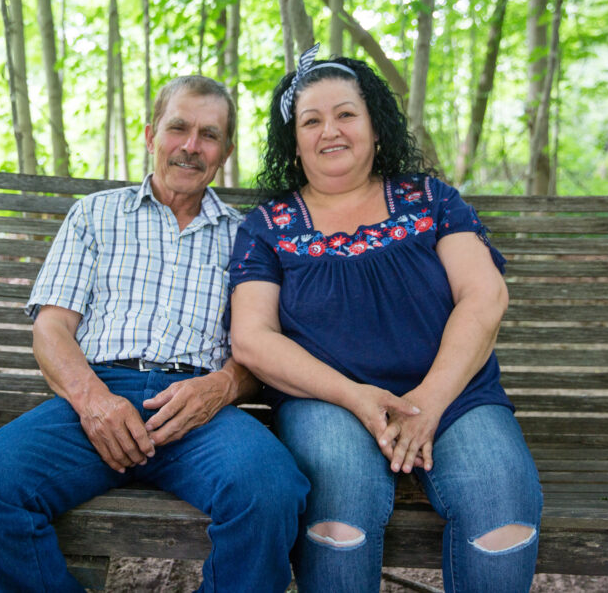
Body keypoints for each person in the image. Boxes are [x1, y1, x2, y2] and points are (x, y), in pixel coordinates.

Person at [0, 75, 309, 593]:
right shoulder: (95, 214)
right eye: (178, 128)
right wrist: (92, 401)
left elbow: (262, 348)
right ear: (150, 135)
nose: (191, 146)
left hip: (197, 408)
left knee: (272, 489)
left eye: (209, 135)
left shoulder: (247, 236)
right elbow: (52, 328)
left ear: (225, 153)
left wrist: (221, 387)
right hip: (94, 397)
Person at [228, 46, 542, 593]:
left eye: (346, 114)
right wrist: (356, 396)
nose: (331, 130)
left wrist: (426, 403)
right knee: (339, 517)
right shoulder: (266, 227)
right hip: (327, 402)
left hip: (454, 396)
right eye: (311, 120)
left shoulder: (431, 201)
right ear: (294, 142)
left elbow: (484, 295)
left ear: (375, 127)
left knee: (503, 515)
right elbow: (252, 339)